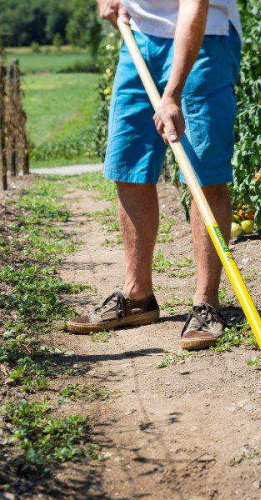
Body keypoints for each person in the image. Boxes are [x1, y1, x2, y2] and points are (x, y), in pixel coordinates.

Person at [68, 0, 242, 350]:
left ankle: (207, 304)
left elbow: (195, 8)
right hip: (139, 36)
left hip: (205, 38)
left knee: (203, 172)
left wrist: (172, 94)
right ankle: (137, 298)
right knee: (129, 164)